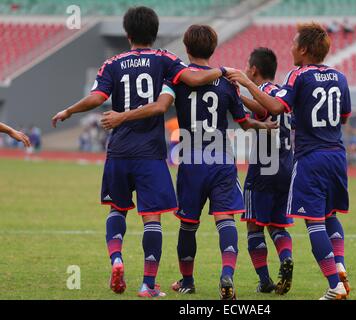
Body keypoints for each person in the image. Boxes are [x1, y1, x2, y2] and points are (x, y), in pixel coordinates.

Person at [51, 7, 229, 299]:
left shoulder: (112, 62)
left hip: (119, 151)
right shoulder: (165, 60)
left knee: (117, 209)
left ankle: (117, 258)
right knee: (152, 218)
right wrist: (224, 71)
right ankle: (148, 284)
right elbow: (194, 81)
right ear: (154, 33)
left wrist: (70, 110)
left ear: (128, 34)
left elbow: (98, 97)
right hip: (150, 153)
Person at [100, 24, 278, 300]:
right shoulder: (226, 82)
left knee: (188, 224)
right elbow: (246, 122)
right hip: (220, 157)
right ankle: (227, 273)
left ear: (186, 47)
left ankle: (187, 280)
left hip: (192, 159)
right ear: (214, 48)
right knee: (225, 218)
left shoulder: (177, 79)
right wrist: (260, 123)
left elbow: (159, 104)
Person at [228, 23, 352, 300]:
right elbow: (343, 117)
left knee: (314, 222)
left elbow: (273, 108)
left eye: (295, 44)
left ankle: (335, 285)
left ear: (305, 49)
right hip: (337, 155)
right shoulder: (340, 77)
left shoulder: (298, 75)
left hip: (311, 157)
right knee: (330, 214)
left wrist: (246, 83)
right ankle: (340, 265)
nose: (291, 48)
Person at [238, 48, 294, 295]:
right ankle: (286, 259)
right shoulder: (282, 94)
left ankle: (264, 280)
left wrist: (237, 95)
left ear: (253, 70)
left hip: (264, 167)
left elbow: (260, 112)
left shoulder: (263, 94)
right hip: (286, 166)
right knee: (278, 225)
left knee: (254, 226)